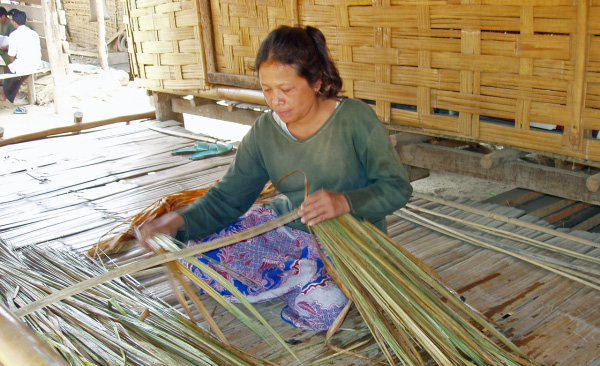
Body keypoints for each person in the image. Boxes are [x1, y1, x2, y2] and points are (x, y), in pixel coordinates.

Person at [138, 25, 413, 331]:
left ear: (317, 81)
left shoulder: (354, 119)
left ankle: (296, 280)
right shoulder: (266, 131)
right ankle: (296, 276)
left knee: (326, 308)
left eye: (287, 89)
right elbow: (229, 198)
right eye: (267, 89)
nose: (276, 100)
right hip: (289, 233)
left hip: (354, 245)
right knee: (199, 249)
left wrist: (345, 202)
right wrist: (176, 222)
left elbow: (396, 188)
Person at [0, 9, 41, 110]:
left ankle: (6, 95)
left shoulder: (14, 35)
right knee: (17, 76)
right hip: (36, 63)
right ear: (25, 21)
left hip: (23, 66)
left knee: (12, 75)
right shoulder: (34, 34)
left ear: (14, 22)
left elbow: (11, 56)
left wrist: (14, 62)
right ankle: (8, 94)